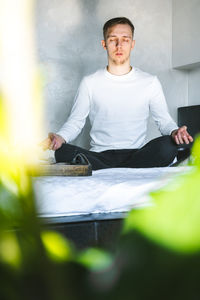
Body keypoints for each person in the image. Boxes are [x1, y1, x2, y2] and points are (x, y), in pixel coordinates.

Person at [41, 17, 193, 170]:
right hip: (100, 156)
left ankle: (125, 166)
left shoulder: (150, 82)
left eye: (125, 40)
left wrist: (175, 132)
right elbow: (75, 122)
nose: (119, 45)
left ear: (132, 44)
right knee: (62, 152)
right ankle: (121, 167)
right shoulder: (90, 82)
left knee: (168, 145)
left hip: (138, 155)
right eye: (113, 39)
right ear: (104, 44)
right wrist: (59, 138)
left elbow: (164, 121)